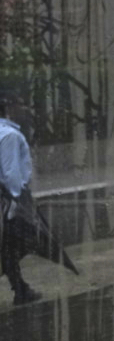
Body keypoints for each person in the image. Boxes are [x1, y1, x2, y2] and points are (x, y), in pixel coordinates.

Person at [0, 97, 40, 305]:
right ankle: (20, 288)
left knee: (9, 246)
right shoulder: (10, 135)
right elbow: (11, 174)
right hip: (10, 200)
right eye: (21, 104)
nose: (25, 109)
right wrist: (19, 201)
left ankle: (20, 288)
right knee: (23, 241)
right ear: (9, 108)